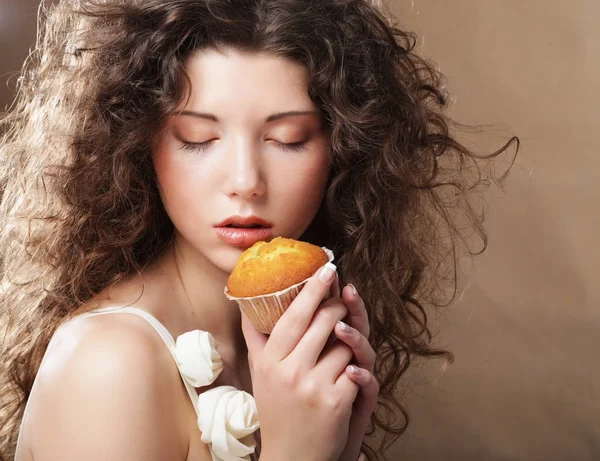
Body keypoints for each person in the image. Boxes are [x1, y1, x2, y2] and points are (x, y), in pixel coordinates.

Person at [0, 0, 517, 460]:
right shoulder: (108, 365)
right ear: (138, 144)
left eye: (288, 139)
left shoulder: (285, 353)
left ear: (345, 149)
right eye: (198, 137)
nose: (245, 182)